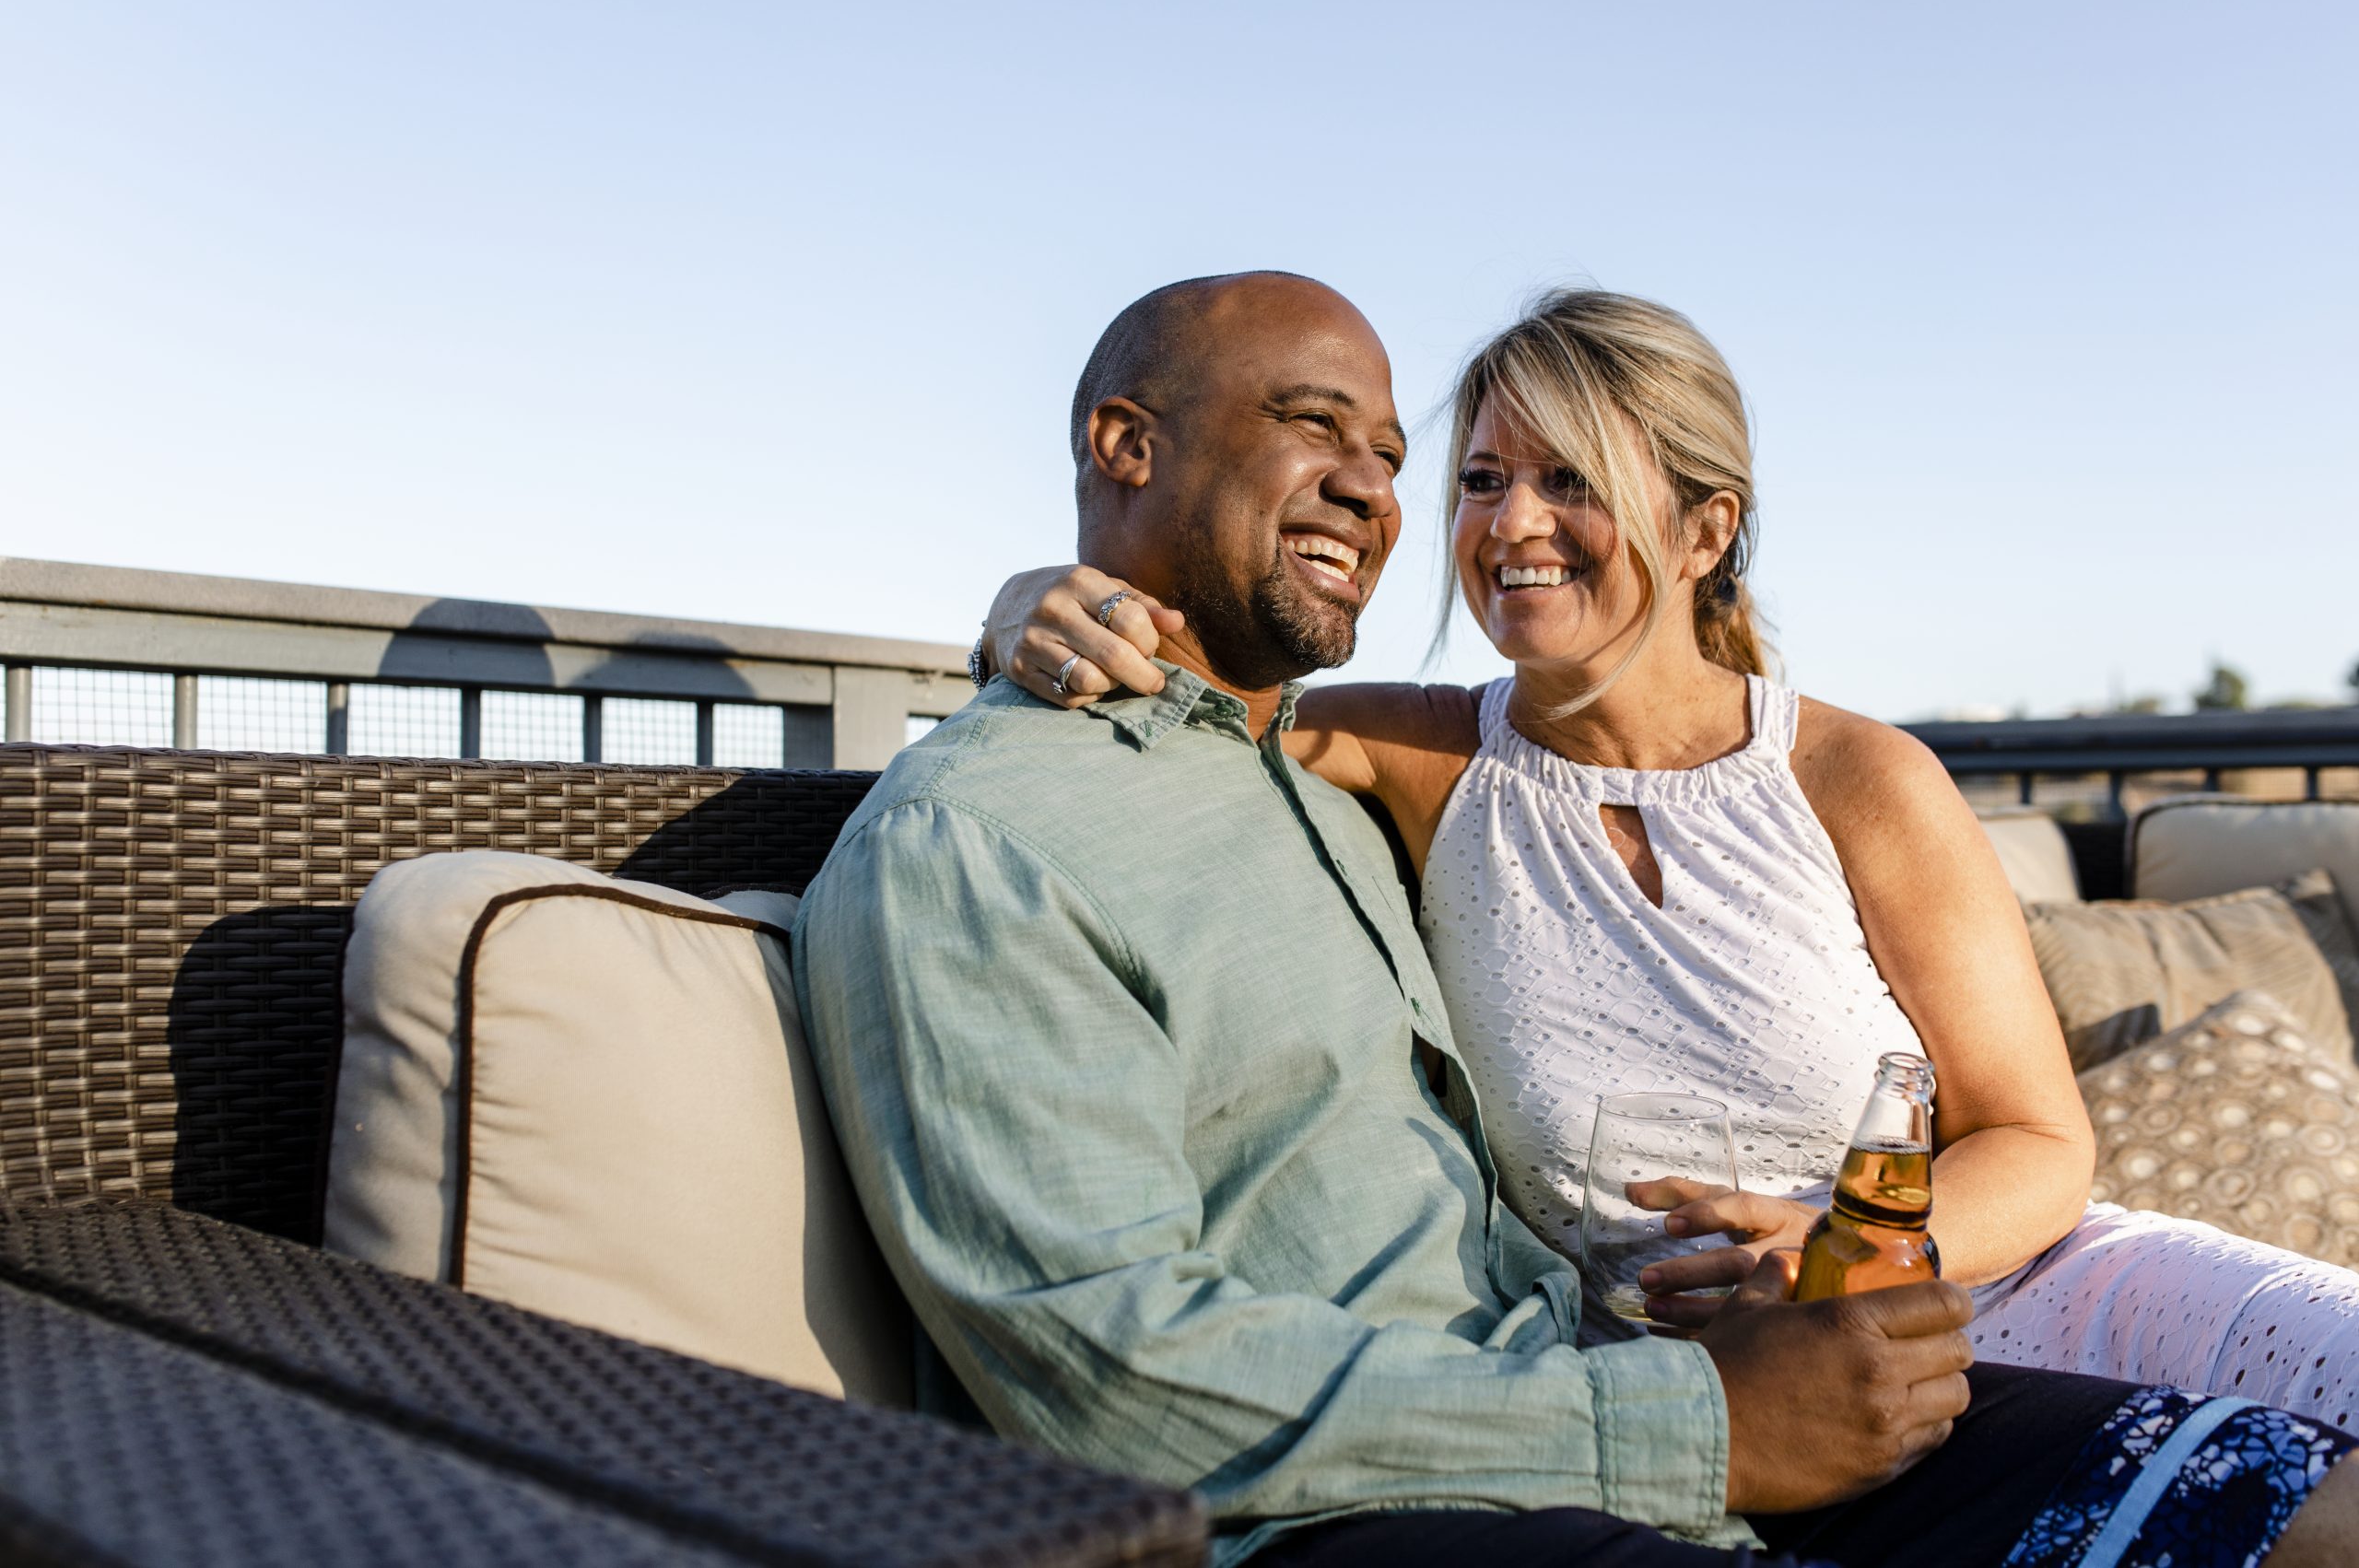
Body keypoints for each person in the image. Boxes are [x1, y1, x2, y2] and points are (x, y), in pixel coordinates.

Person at [797, 270, 2359, 1567]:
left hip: (1966, 1285)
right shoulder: (1393, 755)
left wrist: (1849, 1252)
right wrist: (1030, 608)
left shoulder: (1852, 775)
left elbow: (2039, 1135)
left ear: (1702, 530)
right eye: (1480, 477)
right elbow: (1173, 699)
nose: (1500, 519)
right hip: (1667, 1390)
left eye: (1567, 478)